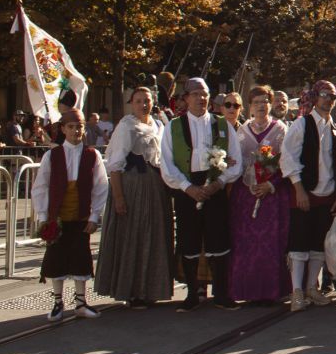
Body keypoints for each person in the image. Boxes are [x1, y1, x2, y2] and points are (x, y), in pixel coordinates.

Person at [158, 77, 243, 310]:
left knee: (219, 238)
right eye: (195, 94)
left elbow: (236, 160)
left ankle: (222, 293)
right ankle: (192, 294)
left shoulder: (222, 124)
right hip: (187, 187)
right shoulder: (173, 126)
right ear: (186, 98)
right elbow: (166, 163)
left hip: (214, 186)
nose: (201, 98)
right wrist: (188, 188)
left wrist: (219, 182)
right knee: (189, 239)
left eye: (204, 94)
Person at [95, 86, 173, 308]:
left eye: (146, 100)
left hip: (155, 185)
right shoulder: (126, 126)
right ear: (132, 103)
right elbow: (116, 165)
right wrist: (119, 197)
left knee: (154, 235)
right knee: (134, 236)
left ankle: (150, 287)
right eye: (138, 101)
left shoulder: (158, 124)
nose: (143, 105)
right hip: (133, 185)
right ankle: (133, 290)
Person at [33, 109, 109, 322]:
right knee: (57, 258)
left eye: (79, 127)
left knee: (80, 256)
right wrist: (43, 216)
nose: (76, 130)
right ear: (63, 129)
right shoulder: (52, 155)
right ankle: (58, 302)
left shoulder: (92, 155)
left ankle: (81, 302)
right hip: (58, 216)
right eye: (71, 127)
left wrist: (94, 216)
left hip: (81, 216)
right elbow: (41, 186)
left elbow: (100, 186)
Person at [280, 79, 336, 312]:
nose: (328, 99)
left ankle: (311, 287)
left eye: (332, 95)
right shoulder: (301, 124)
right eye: (324, 95)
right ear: (315, 97)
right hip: (305, 192)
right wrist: (298, 189)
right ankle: (297, 291)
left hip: (328, 194)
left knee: (319, 244)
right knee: (299, 243)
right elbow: (287, 158)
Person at [228, 86, 291, 306]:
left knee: (270, 243)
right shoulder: (242, 131)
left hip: (271, 194)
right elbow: (236, 161)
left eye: (265, 101)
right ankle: (250, 290)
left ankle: (270, 291)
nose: (261, 105)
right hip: (247, 195)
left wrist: (270, 184)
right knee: (247, 243)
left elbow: (286, 162)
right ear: (249, 106)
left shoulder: (280, 129)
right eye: (256, 102)